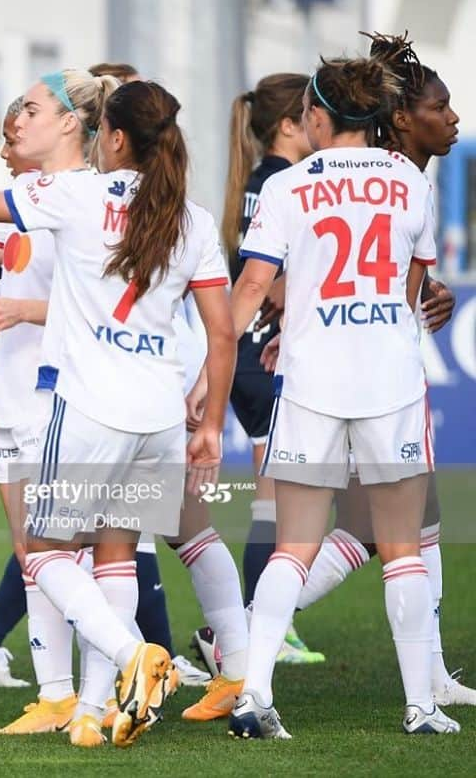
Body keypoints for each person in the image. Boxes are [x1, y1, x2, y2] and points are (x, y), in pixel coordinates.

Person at [0, 73, 239, 748]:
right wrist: (214, 423)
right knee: (114, 559)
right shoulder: (187, 217)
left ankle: (132, 655)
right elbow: (220, 331)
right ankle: (92, 711)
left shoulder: (73, 194)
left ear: (108, 136)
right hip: (161, 414)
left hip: (90, 410)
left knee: (44, 556)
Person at [226, 55, 459, 738]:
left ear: (319, 117)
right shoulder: (412, 186)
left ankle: (255, 694)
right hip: (389, 382)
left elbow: (249, 293)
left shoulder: (288, 188)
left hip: (312, 382)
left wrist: (211, 371)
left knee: (291, 548)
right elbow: (412, 293)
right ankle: (420, 704)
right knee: (405, 548)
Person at [287, 32, 473, 706]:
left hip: (361, 371)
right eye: (441, 106)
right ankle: (236, 640)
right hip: (356, 376)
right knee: (385, 526)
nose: (452, 117)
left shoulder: (404, 180)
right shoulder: (383, 176)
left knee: (409, 521)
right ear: (400, 119)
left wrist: (432, 291)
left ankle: (434, 674)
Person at [190, 73, 326, 672]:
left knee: (277, 501)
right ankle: (248, 628)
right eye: (309, 114)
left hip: (250, 352)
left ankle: (251, 627)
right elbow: (266, 277)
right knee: (282, 503)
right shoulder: (283, 182)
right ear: (289, 125)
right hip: (265, 352)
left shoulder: (257, 180)